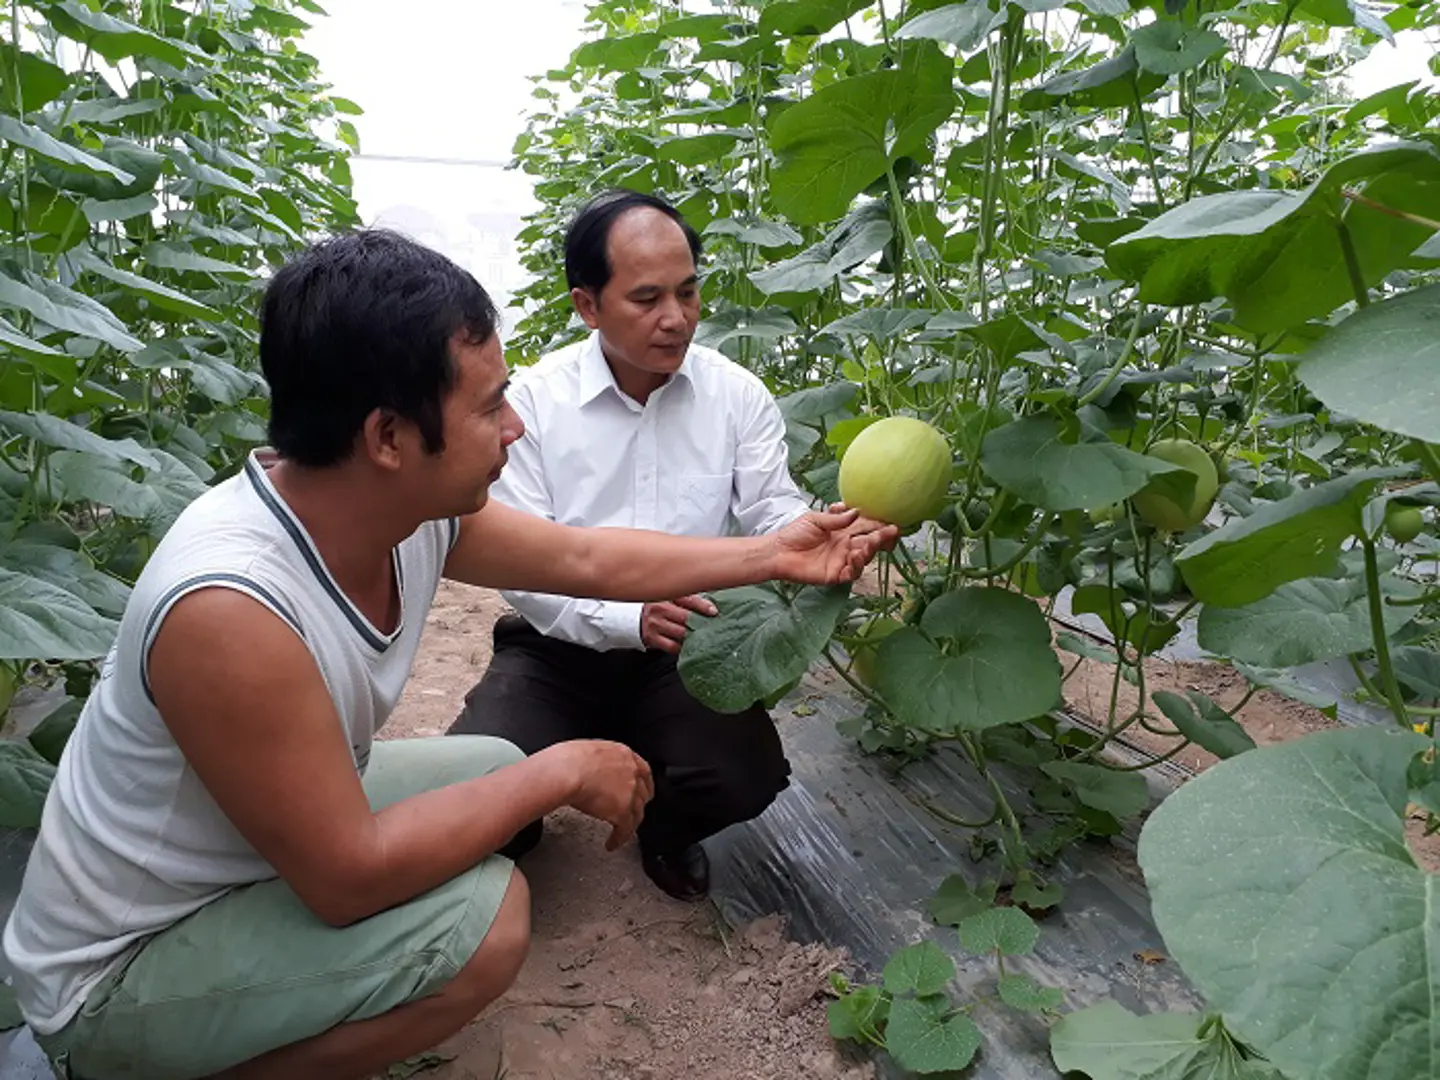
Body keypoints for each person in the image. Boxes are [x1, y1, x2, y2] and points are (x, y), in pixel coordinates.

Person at [0, 229, 897, 1080]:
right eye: (489, 405)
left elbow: (584, 556)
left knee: (491, 763)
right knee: (490, 920)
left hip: (238, 855)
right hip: (125, 962)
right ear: (388, 438)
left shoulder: (390, 511)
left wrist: (775, 553)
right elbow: (347, 880)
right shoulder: (231, 611)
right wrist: (564, 772)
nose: (514, 428)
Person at [446, 189, 814, 903]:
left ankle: (665, 828)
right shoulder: (536, 405)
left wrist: (819, 530)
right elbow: (526, 569)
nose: (676, 319)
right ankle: (527, 821)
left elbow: (775, 510)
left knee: (745, 776)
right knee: (476, 788)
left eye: (687, 291)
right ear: (588, 305)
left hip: (687, 650)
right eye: (647, 298)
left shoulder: (737, 397)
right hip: (556, 649)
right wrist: (627, 615)